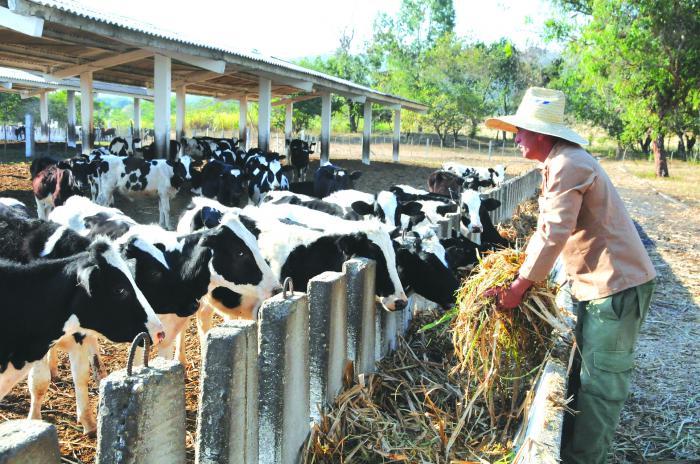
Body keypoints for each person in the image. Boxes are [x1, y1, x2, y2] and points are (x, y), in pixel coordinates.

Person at [483, 87, 656, 464]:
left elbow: (553, 234)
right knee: (583, 374)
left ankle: (585, 458)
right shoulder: (557, 164)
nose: (514, 138)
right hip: (597, 286)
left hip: (617, 285)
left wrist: (519, 286)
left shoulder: (569, 164)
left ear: (541, 135)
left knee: (601, 384)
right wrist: (518, 269)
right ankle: (574, 450)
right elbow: (546, 230)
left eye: (520, 131)